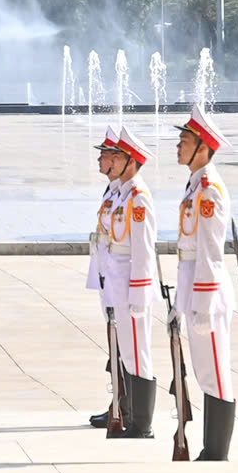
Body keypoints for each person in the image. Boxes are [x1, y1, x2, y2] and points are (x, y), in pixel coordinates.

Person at [172, 114, 238, 461]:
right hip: (195, 289)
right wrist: (181, 302)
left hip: (208, 293)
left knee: (214, 369)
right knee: (203, 370)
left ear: (202, 147)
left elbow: (211, 252)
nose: (178, 145)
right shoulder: (195, 186)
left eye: (185, 140)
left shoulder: (209, 188)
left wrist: (202, 299)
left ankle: (217, 449)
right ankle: (211, 446)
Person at [87, 130, 160, 439]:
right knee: (121, 348)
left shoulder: (138, 198)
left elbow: (144, 249)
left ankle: (141, 422)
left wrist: (140, 292)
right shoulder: (116, 193)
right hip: (112, 280)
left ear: (130, 161)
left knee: (136, 351)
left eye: (113, 155)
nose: (106, 160)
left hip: (130, 283)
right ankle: (123, 407)